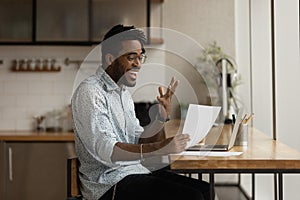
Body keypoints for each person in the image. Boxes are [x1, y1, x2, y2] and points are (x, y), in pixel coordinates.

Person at [71, 24, 212, 200]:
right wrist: (162, 147)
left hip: (134, 172)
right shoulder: (90, 92)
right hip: (108, 184)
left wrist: (160, 119)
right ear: (109, 59)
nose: (138, 64)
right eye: (131, 58)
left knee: (205, 190)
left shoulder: (123, 95)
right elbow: (109, 151)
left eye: (140, 57)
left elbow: (139, 141)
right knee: (192, 197)